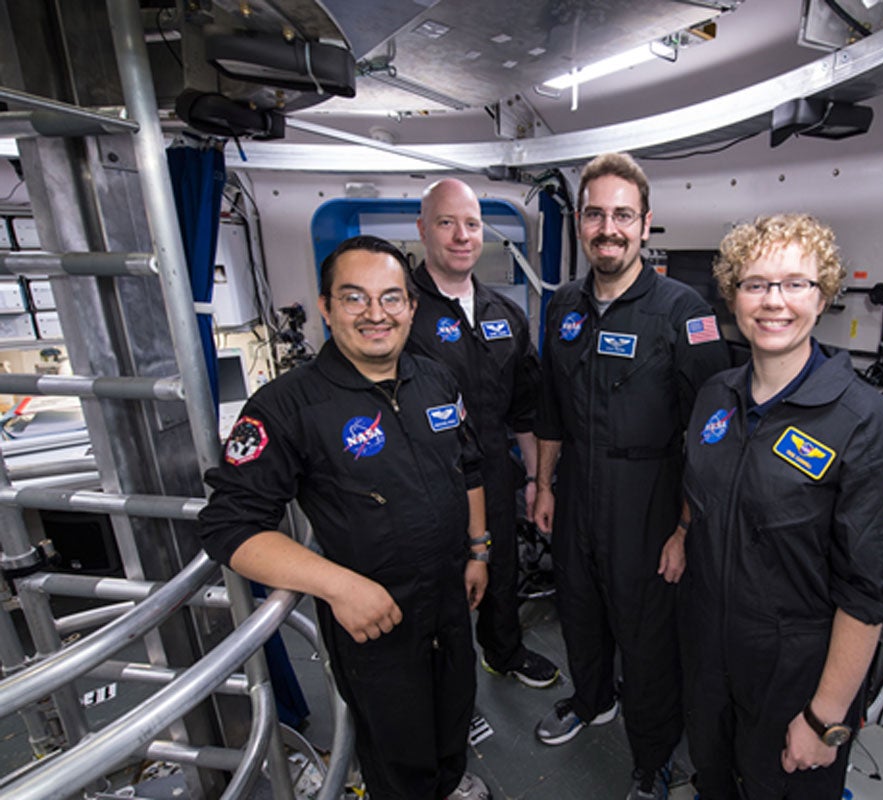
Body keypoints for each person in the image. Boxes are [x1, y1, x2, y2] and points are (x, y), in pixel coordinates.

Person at [198, 235, 492, 800]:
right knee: (396, 753)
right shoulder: (287, 406)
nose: (376, 314)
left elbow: (469, 467)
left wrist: (478, 550)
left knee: (453, 717)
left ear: (411, 306)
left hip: (451, 599)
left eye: (391, 298)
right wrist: (338, 586)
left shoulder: (436, 380)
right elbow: (229, 527)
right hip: (373, 619)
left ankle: (450, 783)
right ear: (327, 308)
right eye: (355, 298)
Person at [679, 214, 883, 799]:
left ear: (824, 294)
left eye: (795, 284)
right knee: (714, 777)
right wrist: (683, 531)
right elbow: (704, 491)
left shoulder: (867, 424)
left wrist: (823, 719)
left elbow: (871, 593)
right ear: (733, 295)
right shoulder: (717, 394)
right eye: (755, 283)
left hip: (796, 670)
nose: (773, 302)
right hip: (709, 645)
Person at [532, 152, 730, 800]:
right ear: (582, 222)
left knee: (647, 641)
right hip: (577, 490)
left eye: (622, 215)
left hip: (649, 497)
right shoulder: (562, 304)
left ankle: (651, 758)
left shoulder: (684, 312)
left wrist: (683, 527)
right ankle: (591, 702)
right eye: (595, 214)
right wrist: (541, 485)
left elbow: (712, 435)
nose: (607, 228)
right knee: (579, 612)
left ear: (646, 225)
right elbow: (552, 410)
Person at [406, 178, 560, 688]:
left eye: (471, 224)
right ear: (423, 229)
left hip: (494, 471)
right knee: (432, 584)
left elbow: (526, 412)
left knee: (502, 568)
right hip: (423, 481)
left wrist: (539, 481)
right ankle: (440, 681)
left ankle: (504, 651)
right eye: (447, 223)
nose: (460, 236)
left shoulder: (505, 315)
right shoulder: (399, 311)